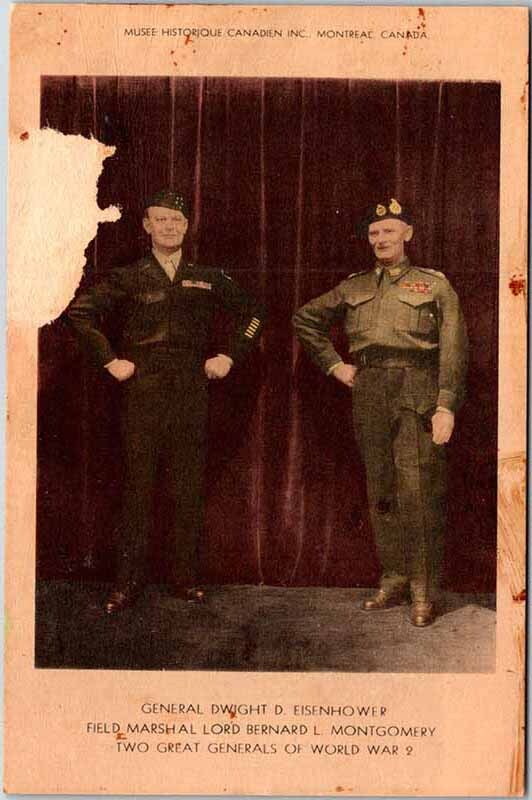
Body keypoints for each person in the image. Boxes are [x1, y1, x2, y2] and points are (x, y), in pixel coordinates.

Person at [67, 190, 264, 614]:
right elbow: (80, 313)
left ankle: (184, 579)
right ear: (147, 226)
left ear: (187, 226)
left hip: (192, 390)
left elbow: (253, 314)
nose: (169, 227)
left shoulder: (207, 276)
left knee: (187, 487)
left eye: (176, 220)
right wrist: (110, 361)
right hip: (143, 391)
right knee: (137, 488)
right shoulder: (129, 276)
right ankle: (126, 583)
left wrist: (229, 356)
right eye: (161, 219)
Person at [292, 198, 467, 627]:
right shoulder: (354, 286)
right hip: (369, 390)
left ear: (408, 233)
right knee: (382, 490)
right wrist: (335, 365)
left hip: (416, 389)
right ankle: (394, 578)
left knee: (416, 490)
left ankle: (423, 589)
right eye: (374, 233)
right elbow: (305, 319)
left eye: (389, 230)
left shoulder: (433, 285)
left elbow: (454, 349)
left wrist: (446, 404)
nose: (381, 239)